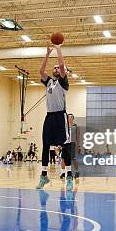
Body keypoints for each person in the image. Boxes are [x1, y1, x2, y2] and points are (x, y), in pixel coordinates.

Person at [36, 43, 73, 191]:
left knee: (65, 146)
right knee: (45, 145)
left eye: (59, 67)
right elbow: (41, 70)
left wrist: (58, 49)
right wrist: (47, 53)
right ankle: (44, 175)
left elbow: (63, 65)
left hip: (60, 116)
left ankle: (69, 176)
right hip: (49, 117)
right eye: (55, 67)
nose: (57, 68)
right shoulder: (49, 82)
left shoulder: (63, 82)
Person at [60, 114, 79, 179]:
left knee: (73, 158)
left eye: (71, 117)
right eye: (68, 117)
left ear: (73, 118)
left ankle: (76, 172)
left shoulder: (75, 126)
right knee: (63, 158)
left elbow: (77, 136)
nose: (70, 118)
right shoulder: (64, 126)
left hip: (72, 144)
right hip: (65, 144)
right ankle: (63, 173)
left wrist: (77, 145)